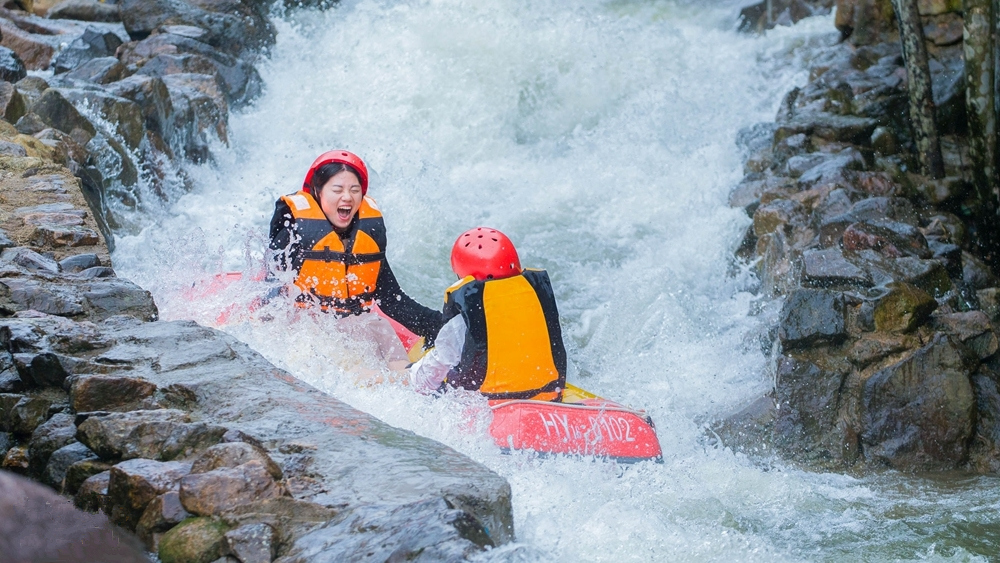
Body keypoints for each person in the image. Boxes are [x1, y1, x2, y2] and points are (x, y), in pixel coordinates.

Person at [268, 150, 443, 358]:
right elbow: (271, 292)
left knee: (381, 327)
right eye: (337, 189)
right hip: (306, 331)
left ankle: (408, 384)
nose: (347, 197)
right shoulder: (294, 233)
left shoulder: (365, 237)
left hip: (350, 326)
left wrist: (440, 325)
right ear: (318, 191)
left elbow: (392, 299)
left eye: (354, 190)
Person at [409, 227, 567, 401]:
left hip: (489, 404)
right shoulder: (534, 296)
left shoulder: (465, 318)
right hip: (548, 395)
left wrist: (412, 376)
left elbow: (431, 373)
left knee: (433, 379)